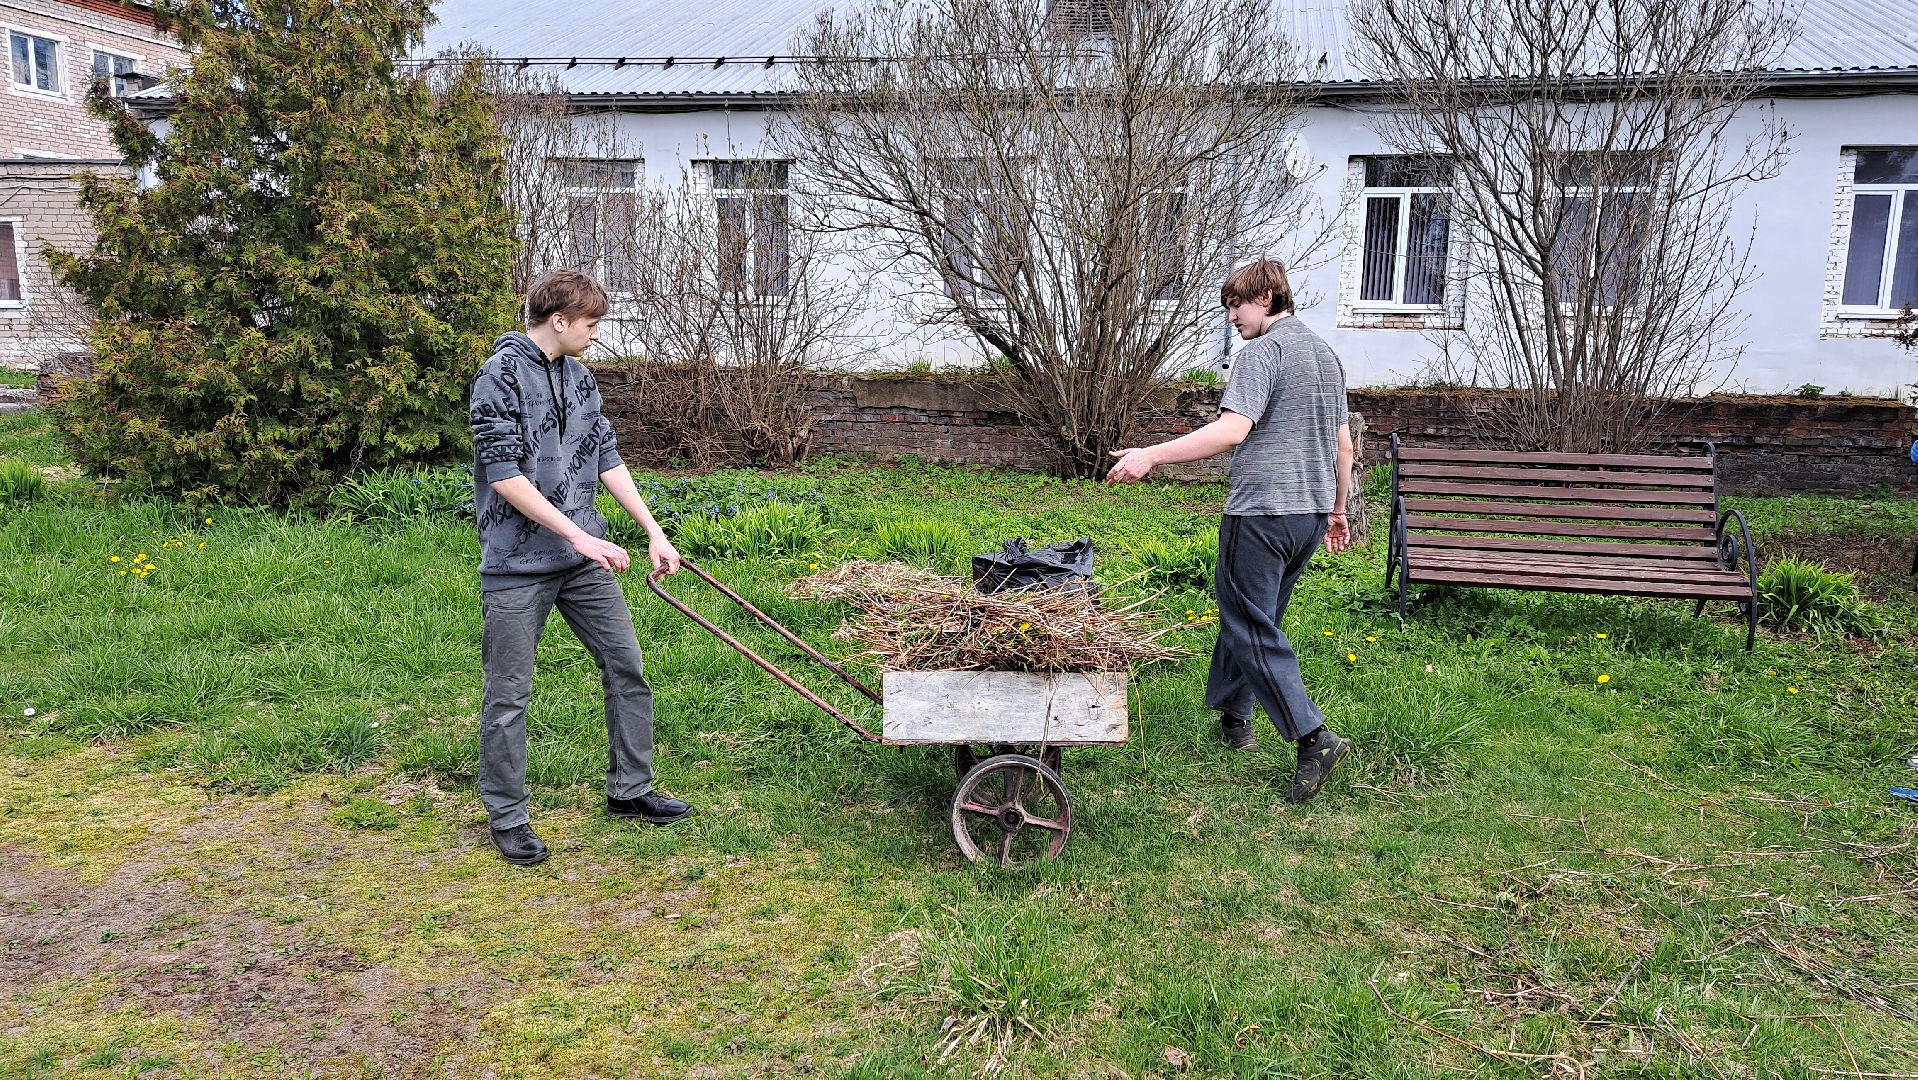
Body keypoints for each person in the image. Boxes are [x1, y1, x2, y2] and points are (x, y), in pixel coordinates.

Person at [1107, 258, 1355, 804]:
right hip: (1308, 517)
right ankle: (1234, 714)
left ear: (1265, 297)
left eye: (1236, 306)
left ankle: (1313, 737)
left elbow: (1231, 430)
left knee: (1250, 626)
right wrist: (1337, 511)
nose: (1232, 319)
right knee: (1254, 619)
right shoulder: (1325, 355)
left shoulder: (1262, 353)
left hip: (1263, 514)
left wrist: (1151, 454)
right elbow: (1344, 447)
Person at [468, 269, 693, 866]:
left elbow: (607, 459)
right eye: (591, 323)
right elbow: (504, 475)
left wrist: (653, 531)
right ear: (559, 320)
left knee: (627, 667)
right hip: (517, 564)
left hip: (580, 557)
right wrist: (577, 534)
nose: (596, 334)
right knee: (508, 695)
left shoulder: (581, 379)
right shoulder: (499, 377)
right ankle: (508, 817)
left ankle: (631, 789)